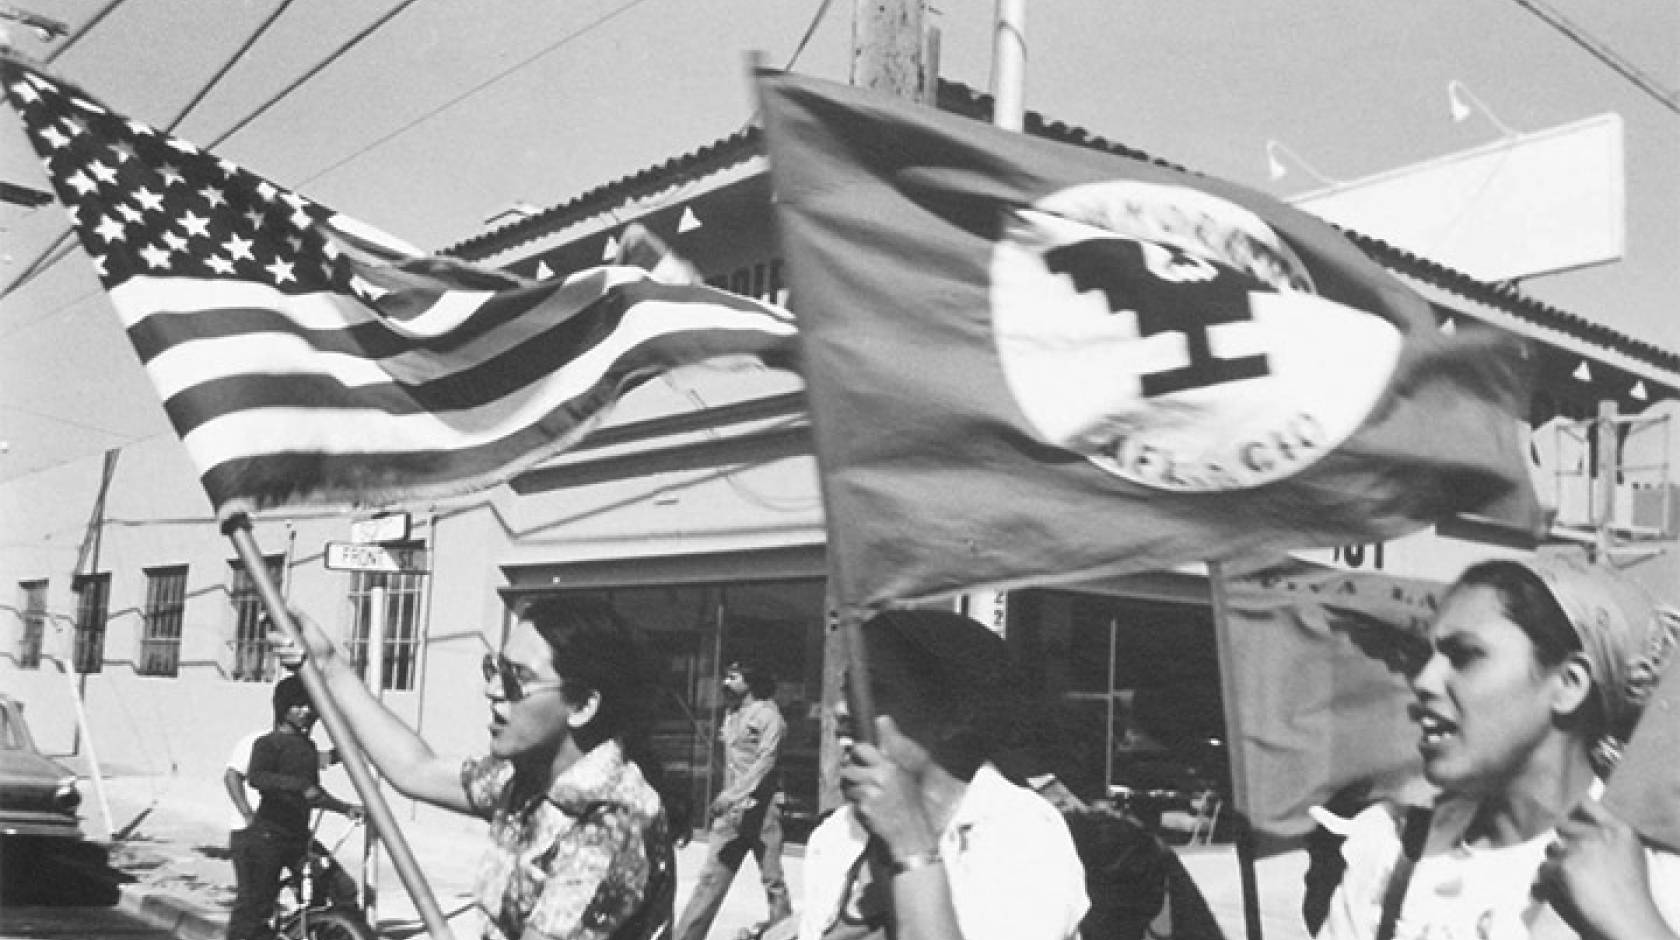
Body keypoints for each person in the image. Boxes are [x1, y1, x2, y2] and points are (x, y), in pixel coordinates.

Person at [1314, 554, 1680, 940]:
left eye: (1465, 656)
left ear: (1569, 684)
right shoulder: (1393, 850)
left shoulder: (1654, 876)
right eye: (1427, 656)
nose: (1424, 680)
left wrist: (1634, 925)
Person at [276, 597, 678, 940]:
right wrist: (327, 664)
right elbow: (417, 769)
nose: (493, 690)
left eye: (517, 678)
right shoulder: (527, 778)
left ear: (583, 705)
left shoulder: (614, 825)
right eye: (495, 669)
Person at [788, 609, 1087, 940]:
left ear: (956, 714)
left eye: (875, 692)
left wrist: (911, 847)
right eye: (847, 690)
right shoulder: (838, 836)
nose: (843, 709)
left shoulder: (1022, 833)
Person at [226, 675, 363, 940]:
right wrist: (296, 786)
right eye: (297, 706)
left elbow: (315, 793)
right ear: (282, 708)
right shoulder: (267, 743)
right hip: (267, 838)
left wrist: (345, 808)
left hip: (299, 839)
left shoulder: (308, 747)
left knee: (340, 887)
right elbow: (258, 777)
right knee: (253, 913)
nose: (306, 711)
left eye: (309, 705)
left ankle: (315, 930)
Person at [674, 659, 793, 940]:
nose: (726, 683)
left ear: (751, 681)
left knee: (773, 882)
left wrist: (733, 794)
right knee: (710, 880)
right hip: (731, 816)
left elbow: (766, 761)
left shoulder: (768, 717)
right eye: (726, 677)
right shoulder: (732, 714)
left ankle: (785, 934)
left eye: (734, 677)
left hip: (761, 812)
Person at [224, 724, 357, 911]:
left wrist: (352, 748)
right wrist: (247, 814)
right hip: (254, 832)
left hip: (293, 834)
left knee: (333, 885)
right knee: (254, 904)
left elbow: (318, 772)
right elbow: (232, 775)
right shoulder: (261, 741)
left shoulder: (302, 746)